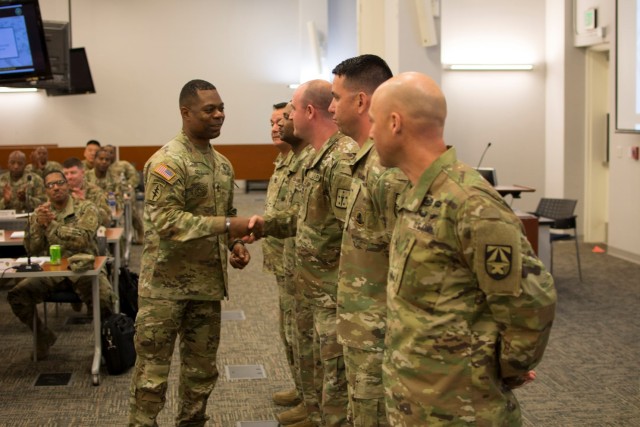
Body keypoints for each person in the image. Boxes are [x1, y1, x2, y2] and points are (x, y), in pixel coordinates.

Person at [368, 72, 557, 425]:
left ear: (394, 123)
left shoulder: (470, 203)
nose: (369, 133)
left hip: (462, 410)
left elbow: (530, 302)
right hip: (418, 403)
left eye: (373, 122)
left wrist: (503, 369)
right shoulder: (419, 194)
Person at [128, 79, 257, 427]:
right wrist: (229, 228)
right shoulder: (168, 162)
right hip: (165, 289)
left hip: (206, 287)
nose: (219, 115)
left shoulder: (222, 164)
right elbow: (165, 221)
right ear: (185, 113)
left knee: (201, 374)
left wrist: (236, 244)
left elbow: (227, 215)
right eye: (209, 110)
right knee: (152, 376)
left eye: (222, 108)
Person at [252, 80, 358, 426]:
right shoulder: (318, 158)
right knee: (314, 354)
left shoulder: (339, 159)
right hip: (309, 279)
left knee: (333, 368)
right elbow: (304, 218)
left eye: (290, 113)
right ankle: (313, 407)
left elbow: (354, 233)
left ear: (308, 112)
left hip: (332, 288)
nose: (283, 122)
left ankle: (318, 412)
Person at [330, 54, 408, 427]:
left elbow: (408, 258)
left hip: (381, 332)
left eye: (336, 97)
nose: (330, 107)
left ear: (360, 101)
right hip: (360, 327)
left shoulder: (386, 172)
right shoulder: (362, 163)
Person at [6, 170, 115, 359]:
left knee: (104, 298)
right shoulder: (41, 213)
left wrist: (51, 225)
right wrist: (38, 225)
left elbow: (81, 240)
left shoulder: (86, 208)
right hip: (52, 271)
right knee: (18, 295)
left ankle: (105, 342)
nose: (56, 188)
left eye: (60, 183)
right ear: (46, 190)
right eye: (50, 185)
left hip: (84, 269)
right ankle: (42, 336)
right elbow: (32, 248)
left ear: (67, 185)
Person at [103, 144, 144, 244]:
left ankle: (140, 231)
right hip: (109, 194)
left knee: (133, 213)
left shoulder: (123, 164)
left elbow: (134, 176)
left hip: (125, 193)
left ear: (115, 154)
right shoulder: (102, 165)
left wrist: (128, 187)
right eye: (106, 151)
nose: (108, 154)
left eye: (111, 152)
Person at [62, 157, 111, 227]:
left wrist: (85, 203)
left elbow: (106, 220)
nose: (69, 177)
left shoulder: (95, 191)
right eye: (66, 174)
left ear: (82, 173)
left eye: (73, 173)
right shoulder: (60, 192)